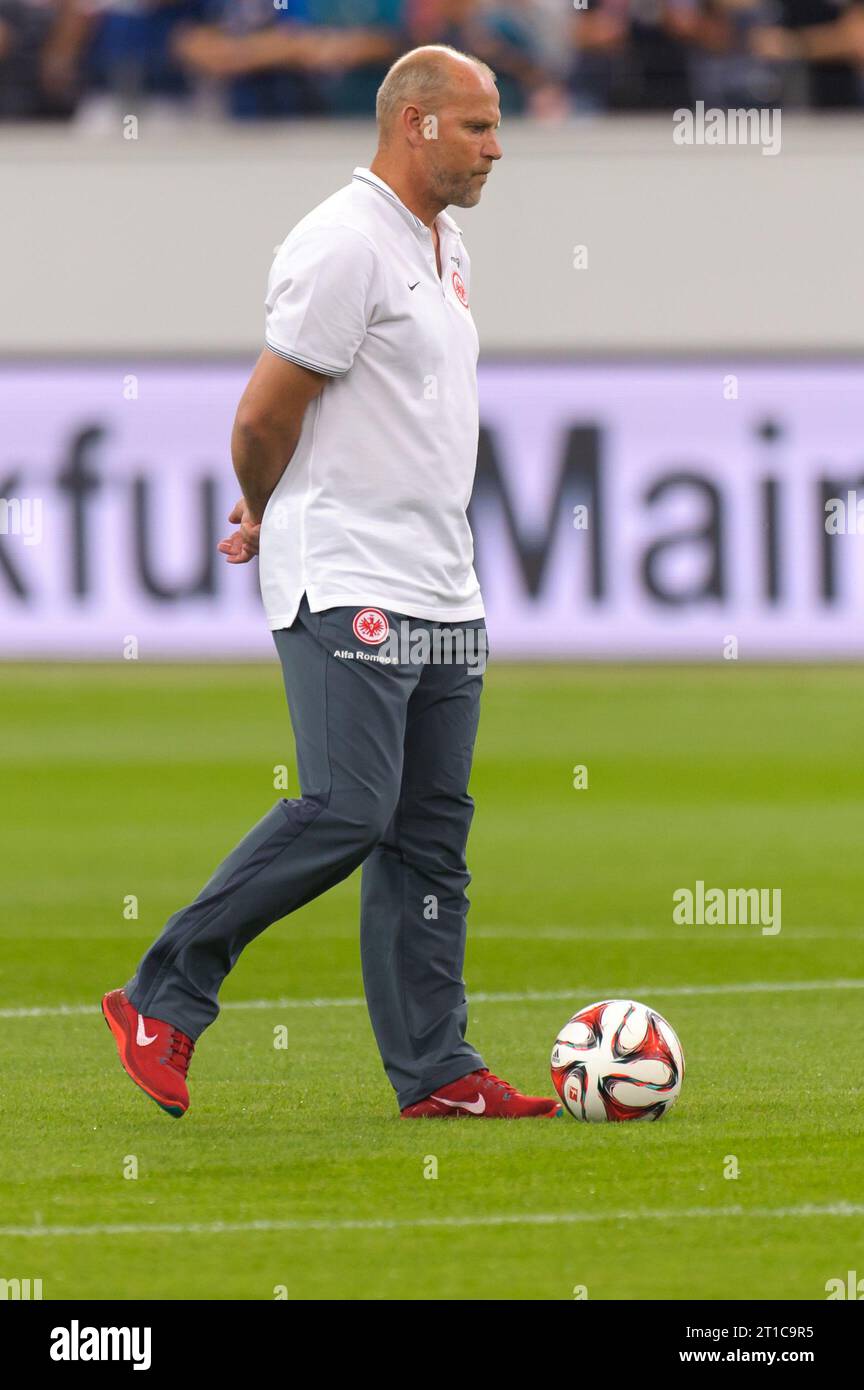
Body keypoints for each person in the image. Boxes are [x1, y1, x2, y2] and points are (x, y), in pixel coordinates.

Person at [102, 43, 563, 1122]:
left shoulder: (441, 246)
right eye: (480, 126)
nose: (498, 148)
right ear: (415, 124)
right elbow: (265, 414)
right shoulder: (343, 242)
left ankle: (438, 1072)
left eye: (498, 126)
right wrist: (265, 511)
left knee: (429, 835)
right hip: (348, 568)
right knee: (347, 806)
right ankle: (164, 997)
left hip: (445, 585)